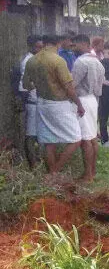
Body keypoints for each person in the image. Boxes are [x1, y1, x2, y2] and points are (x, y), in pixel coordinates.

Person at [22, 34, 84, 175]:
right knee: (76, 139)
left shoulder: (32, 60)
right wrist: (79, 105)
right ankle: (54, 172)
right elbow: (68, 87)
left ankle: (53, 174)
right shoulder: (58, 60)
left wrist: (41, 83)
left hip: (41, 102)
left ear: (44, 43)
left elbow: (26, 85)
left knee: (49, 141)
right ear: (58, 43)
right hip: (58, 104)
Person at [71, 34, 106, 183]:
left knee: (86, 139)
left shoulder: (81, 62)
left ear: (83, 44)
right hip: (93, 100)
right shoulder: (98, 62)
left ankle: (88, 176)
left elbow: (71, 85)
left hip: (82, 100)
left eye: (75, 45)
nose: (74, 48)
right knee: (92, 138)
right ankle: (92, 172)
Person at [19, 35, 43, 168]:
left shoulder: (35, 60)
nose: (40, 49)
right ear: (31, 47)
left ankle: (37, 162)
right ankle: (33, 165)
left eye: (41, 47)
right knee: (31, 135)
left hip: (38, 103)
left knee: (38, 135)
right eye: (37, 47)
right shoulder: (28, 61)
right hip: (32, 103)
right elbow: (24, 86)